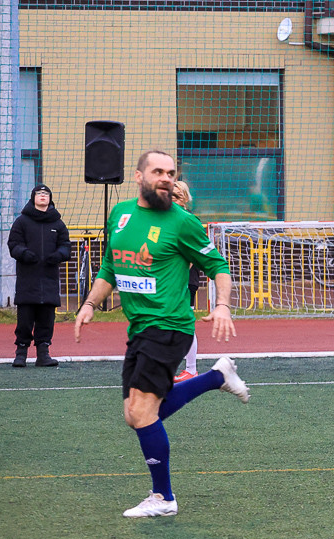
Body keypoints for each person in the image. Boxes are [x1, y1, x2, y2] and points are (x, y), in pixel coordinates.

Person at [75, 149, 251, 518]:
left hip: (170, 326)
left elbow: (218, 265)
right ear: (138, 176)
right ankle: (217, 376)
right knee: (134, 414)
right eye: (158, 171)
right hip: (139, 328)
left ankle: (163, 498)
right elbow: (110, 264)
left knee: (142, 412)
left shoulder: (182, 222)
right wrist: (90, 303)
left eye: (171, 172)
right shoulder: (120, 214)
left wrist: (222, 305)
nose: (166, 178)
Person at [7, 184, 70, 367]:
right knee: (25, 319)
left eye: (46, 194)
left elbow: (66, 246)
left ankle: (43, 354)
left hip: (49, 280)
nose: (42, 196)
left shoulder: (58, 223)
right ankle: (21, 353)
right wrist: (24, 253)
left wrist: (59, 255)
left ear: (50, 198)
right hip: (28, 280)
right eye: (39, 193)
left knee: (46, 319)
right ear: (33, 197)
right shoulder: (22, 222)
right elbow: (13, 244)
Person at [170, 180, 201, 382]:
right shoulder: (165, 219)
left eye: (177, 194)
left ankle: (191, 368)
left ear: (185, 197)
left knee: (184, 323)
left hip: (184, 280)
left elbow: (192, 253)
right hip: (168, 280)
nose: (173, 197)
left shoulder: (189, 220)